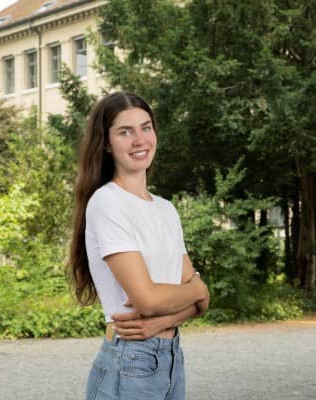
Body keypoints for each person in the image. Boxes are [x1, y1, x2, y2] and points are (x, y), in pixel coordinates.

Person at [68, 91, 210, 400]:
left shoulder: (166, 210)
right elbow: (147, 299)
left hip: (171, 358)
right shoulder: (108, 203)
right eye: (125, 131)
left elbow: (200, 305)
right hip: (130, 362)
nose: (139, 139)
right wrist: (198, 289)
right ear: (106, 143)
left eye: (146, 127)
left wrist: (167, 318)